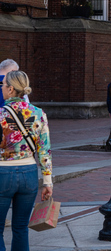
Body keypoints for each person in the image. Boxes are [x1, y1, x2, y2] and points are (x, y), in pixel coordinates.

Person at [0, 70, 53, 251]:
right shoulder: (38, 113)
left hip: (2, 173)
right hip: (29, 174)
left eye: (3, 85)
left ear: (11, 89)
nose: (2, 88)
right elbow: (45, 150)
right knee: (21, 228)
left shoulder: (0, 115)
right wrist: (47, 181)